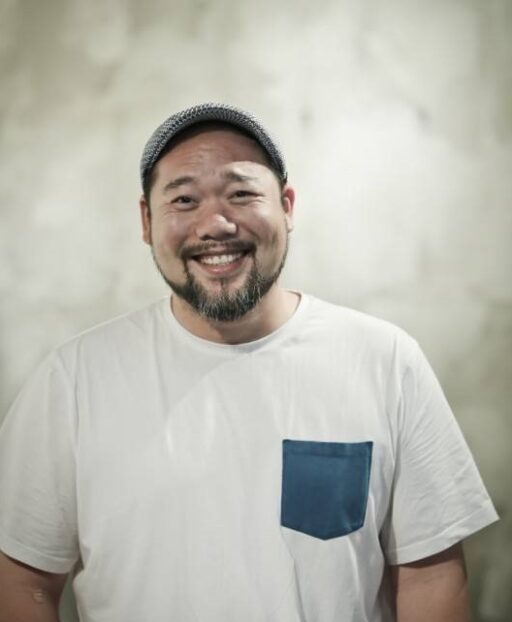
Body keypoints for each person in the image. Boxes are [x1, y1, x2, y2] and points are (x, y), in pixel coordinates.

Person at [0, 103, 498, 622]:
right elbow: (21, 578)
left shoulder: (385, 361)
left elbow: (430, 575)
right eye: (184, 199)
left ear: (287, 206)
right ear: (147, 221)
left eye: (241, 194)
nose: (216, 224)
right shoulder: (76, 379)